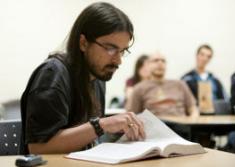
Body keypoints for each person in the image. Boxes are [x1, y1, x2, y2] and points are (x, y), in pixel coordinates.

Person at [20, 2, 145, 154]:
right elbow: (39, 148)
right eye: (110, 48)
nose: (118, 60)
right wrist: (102, 125)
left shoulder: (98, 76)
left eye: (122, 51)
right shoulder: (53, 74)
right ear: (83, 43)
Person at [126, 52, 199, 118]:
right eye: (156, 60)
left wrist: (193, 120)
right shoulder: (139, 88)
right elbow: (131, 115)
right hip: (153, 130)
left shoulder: (180, 84)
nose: (160, 63)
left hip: (181, 129)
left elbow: (193, 108)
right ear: (148, 65)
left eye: (163, 61)